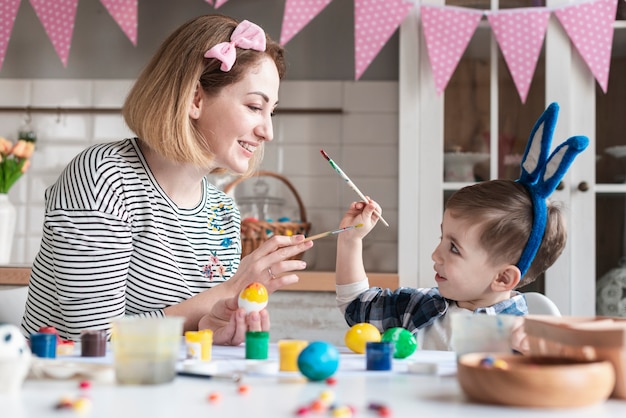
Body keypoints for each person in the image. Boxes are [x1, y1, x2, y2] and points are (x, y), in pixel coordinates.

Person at [20, 15, 313, 345]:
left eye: (270, 111)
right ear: (194, 99)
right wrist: (230, 289)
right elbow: (95, 341)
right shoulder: (103, 178)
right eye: (254, 106)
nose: (268, 132)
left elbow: (186, 341)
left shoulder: (223, 214)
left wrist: (215, 331)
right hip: (69, 391)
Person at [334, 103, 588, 353]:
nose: (436, 254)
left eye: (454, 248)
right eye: (442, 237)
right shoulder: (420, 306)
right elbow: (358, 308)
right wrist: (350, 241)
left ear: (502, 278)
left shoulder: (523, 338)